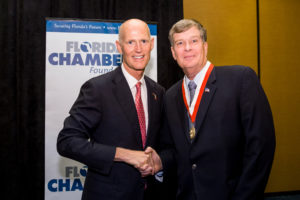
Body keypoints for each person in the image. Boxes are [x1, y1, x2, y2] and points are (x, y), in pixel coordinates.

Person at [147, 19, 276, 200]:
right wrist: (160, 161)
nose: (187, 48)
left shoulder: (240, 80)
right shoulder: (170, 96)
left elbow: (261, 146)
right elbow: (174, 151)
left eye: (194, 41)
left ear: (205, 46)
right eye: (180, 43)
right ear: (173, 53)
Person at [57, 19, 165, 200]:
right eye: (130, 42)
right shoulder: (97, 89)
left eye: (143, 41)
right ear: (119, 47)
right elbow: (67, 142)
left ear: (151, 44)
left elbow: (166, 145)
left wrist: (159, 161)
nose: (138, 49)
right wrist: (124, 155)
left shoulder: (158, 92)